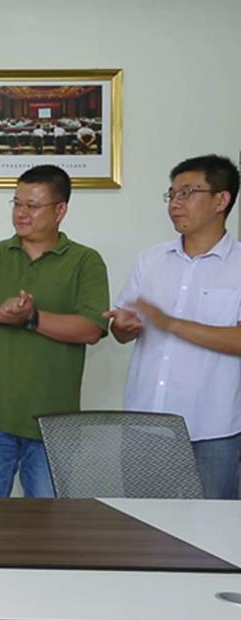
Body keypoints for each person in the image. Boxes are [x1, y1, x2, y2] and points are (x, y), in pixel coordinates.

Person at [0, 164, 109, 497]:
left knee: (48, 524)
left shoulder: (85, 261)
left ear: (60, 210)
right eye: (16, 203)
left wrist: (33, 318)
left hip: (53, 424)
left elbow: (91, 328)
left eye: (32, 205)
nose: (21, 213)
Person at [106, 154, 241, 499]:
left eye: (187, 193)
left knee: (212, 527)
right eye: (172, 194)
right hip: (145, 424)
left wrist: (170, 323)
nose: (175, 204)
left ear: (221, 200)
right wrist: (124, 327)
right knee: (142, 525)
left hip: (213, 430)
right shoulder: (150, 260)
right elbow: (121, 332)